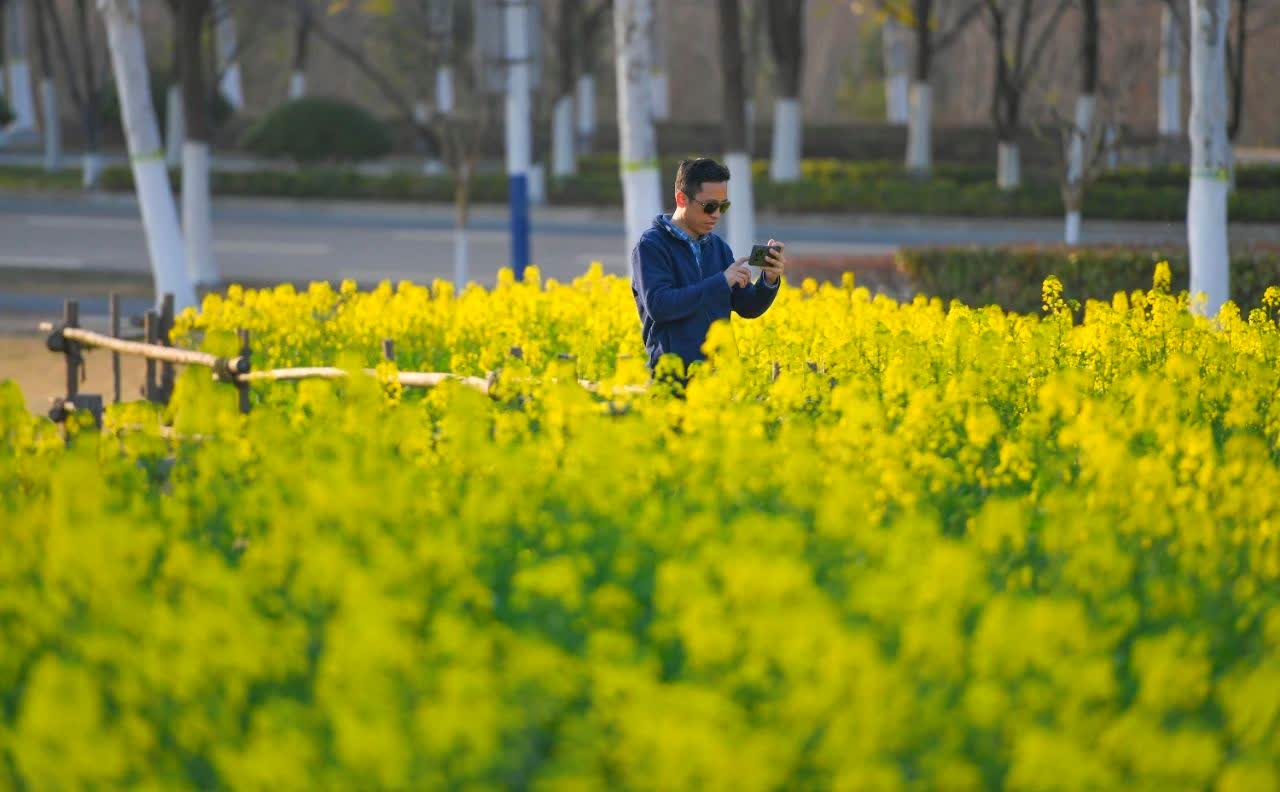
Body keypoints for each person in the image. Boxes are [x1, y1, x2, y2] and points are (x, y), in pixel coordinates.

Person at [630, 158, 787, 379]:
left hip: (719, 377)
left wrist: (768, 280)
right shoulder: (651, 246)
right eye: (710, 206)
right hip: (674, 379)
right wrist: (721, 282)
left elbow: (747, 306)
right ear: (681, 198)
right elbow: (660, 305)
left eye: (723, 206)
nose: (716, 214)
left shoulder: (718, 247)